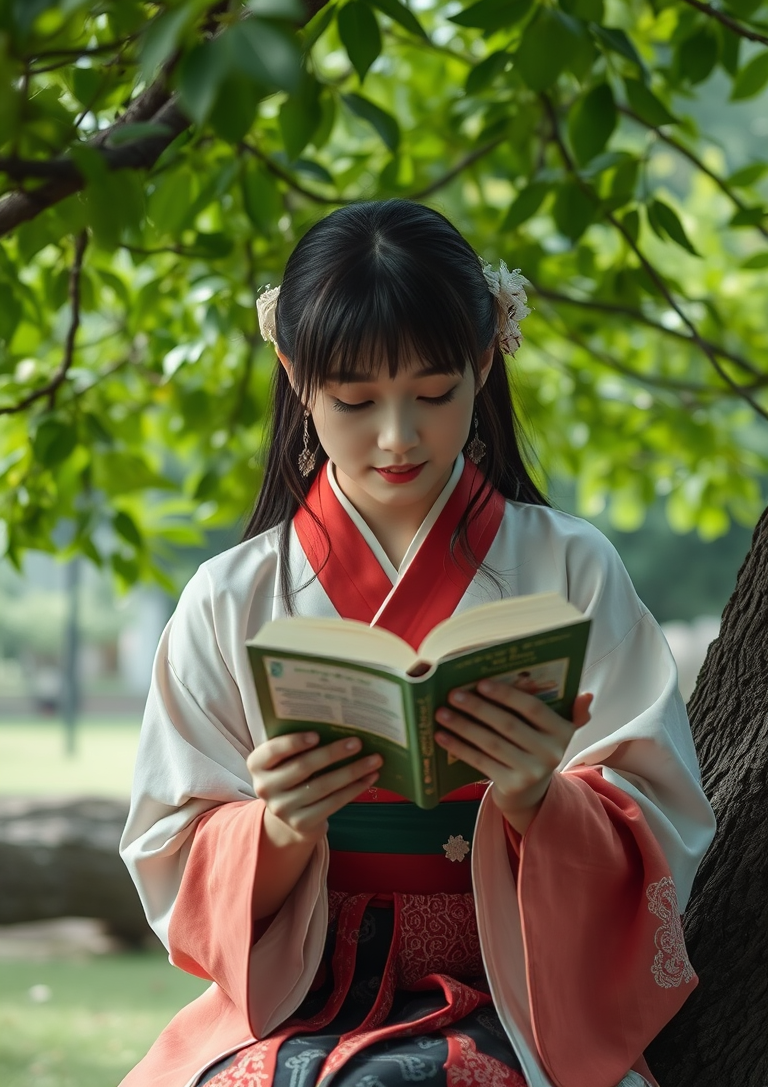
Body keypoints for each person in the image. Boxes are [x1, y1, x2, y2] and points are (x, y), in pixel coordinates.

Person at [120, 201, 716, 1087]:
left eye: (433, 394)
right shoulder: (231, 595)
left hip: (513, 989)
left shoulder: (570, 566)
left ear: (483, 363)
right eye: (356, 401)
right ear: (294, 373)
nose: (398, 437)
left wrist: (537, 800)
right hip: (300, 993)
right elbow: (172, 842)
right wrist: (278, 827)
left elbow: (658, 818)